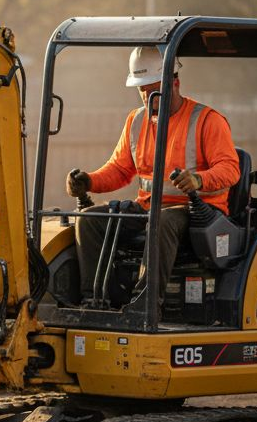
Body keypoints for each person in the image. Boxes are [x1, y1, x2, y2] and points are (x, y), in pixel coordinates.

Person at [66, 46, 238, 307]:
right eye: (141, 90)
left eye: (152, 89)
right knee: (89, 221)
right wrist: (88, 181)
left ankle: (144, 304)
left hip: (196, 212)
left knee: (161, 220)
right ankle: (95, 300)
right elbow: (120, 169)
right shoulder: (136, 121)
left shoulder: (207, 121)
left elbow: (230, 169)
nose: (147, 97)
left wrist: (199, 180)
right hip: (148, 208)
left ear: (174, 82)